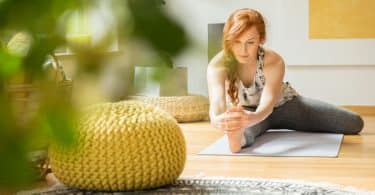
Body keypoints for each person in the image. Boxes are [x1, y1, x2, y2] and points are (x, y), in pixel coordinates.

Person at [207, 8, 364, 153]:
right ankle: (237, 139)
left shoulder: (273, 61)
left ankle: (245, 126)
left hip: (285, 107)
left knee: (354, 123)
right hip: (249, 112)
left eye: (250, 42)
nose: (243, 50)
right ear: (229, 40)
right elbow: (217, 103)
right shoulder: (218, 65)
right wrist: (219, 120)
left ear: (261, 40)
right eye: (237, 42)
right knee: (241, 129)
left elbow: (267, 105)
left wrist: (251, 118)